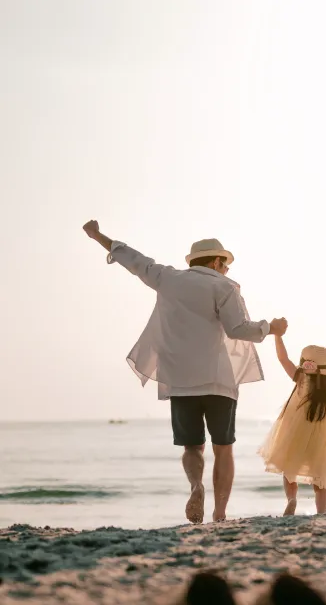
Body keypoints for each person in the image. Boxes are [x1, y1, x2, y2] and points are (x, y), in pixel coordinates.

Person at [82, 220, 287, 524]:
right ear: (216, 262)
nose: (227, 270)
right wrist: (270, 328)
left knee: (192, 446)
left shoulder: (167, 277)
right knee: (223, 448)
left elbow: (132, 259)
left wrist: (97, 235)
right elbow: (237, 329)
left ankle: (195, 486)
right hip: (218, 380)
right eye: (225, 265)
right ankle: (219, 513)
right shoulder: (224, 287)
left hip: (179, 380)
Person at [259, 342, 326, 515]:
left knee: (289, 469)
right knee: (321, 479)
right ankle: (321, 513)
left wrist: (278, 337)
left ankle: (292, 499)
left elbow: (283, 358)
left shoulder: (300, 379)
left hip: (296, 431)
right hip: (322, 435)